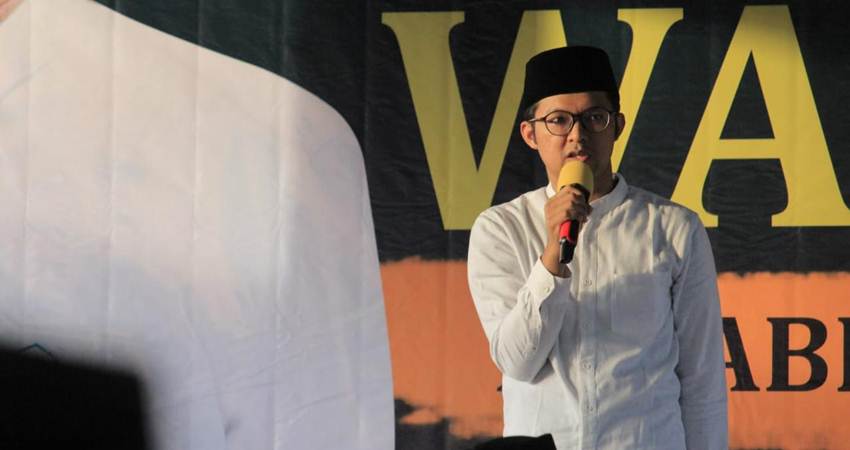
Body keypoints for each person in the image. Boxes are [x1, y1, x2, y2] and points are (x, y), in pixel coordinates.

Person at [467, 46, 728, 450]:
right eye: (558, 120)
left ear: (617, 126)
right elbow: (517, 361)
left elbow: (702, 378)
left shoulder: (673, 228)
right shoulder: (501, 228)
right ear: (530, 134)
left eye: (594, 118)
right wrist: (552, 257)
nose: (577, 135)